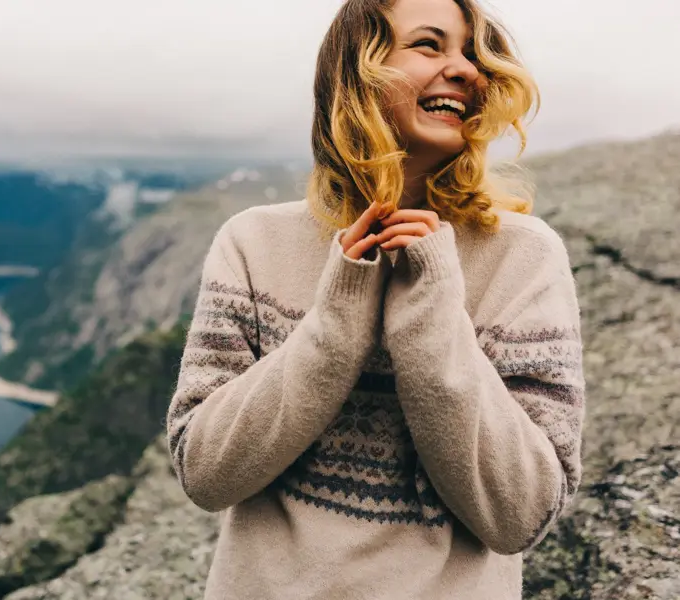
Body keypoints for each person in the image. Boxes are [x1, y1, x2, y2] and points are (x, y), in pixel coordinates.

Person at [165, 0, 586, 598]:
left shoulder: (524, 256)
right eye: (429, 45)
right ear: (354, 74)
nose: (465, 69)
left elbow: (521, 514)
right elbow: (205, 474)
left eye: (472, 52)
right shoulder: (252, 242)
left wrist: (435, 312)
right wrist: (336, 320)